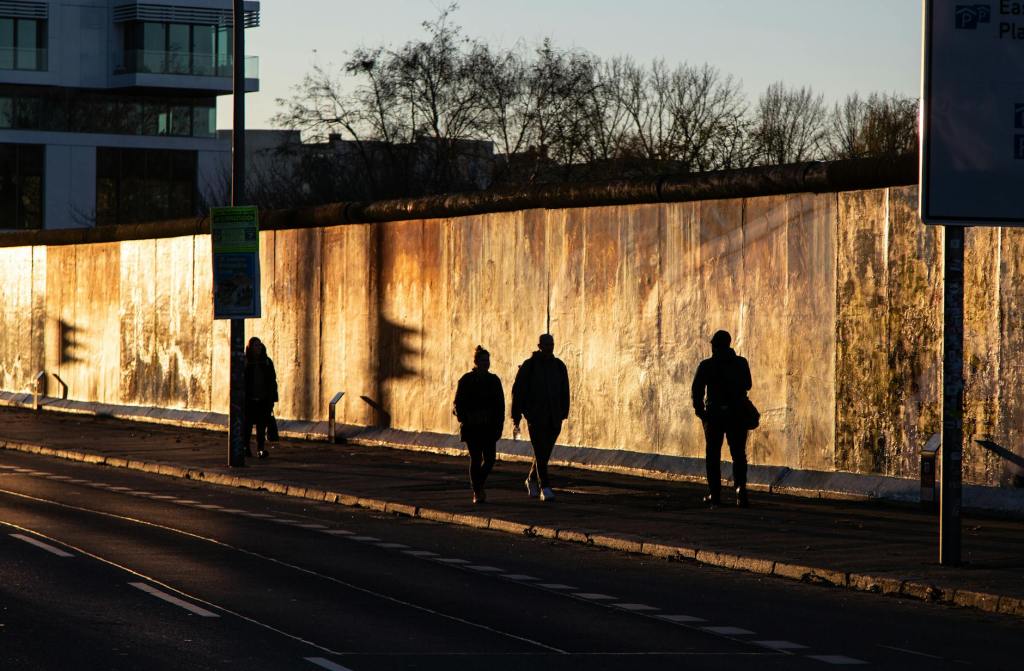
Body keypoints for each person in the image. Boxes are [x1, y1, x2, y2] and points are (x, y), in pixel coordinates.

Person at [691, 330, 752, 508]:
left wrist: (700, 411)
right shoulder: (741, 363)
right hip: (737, 414)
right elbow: (748, 384)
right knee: (739, 454)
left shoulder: (707, 365)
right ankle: (741, 491)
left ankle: (715, 494)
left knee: (713, 455)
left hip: (714, 415)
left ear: (715, 346)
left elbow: (697, 390)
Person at [511, 333, 570, 502]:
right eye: (546, 344)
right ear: (539, 345)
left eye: (551, 344)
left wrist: (563, 411)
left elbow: (565, 389)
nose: (549, 347)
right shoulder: (529, 366)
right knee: (540, 450)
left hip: (554, 416)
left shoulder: (559, 366)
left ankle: (531, 479)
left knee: (544, 453)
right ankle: (545, 486)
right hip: (536, 417)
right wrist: (517, 415)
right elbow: (518, 392)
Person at [453, 346, 505, 504]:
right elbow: (457, 403)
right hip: (473, 427)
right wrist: (465, 418)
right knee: (476, 459)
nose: (485, 363)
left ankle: (478, 484)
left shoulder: (494, 380)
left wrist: (499, 425)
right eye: (482, 360)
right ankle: (477, 491)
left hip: (489, 426)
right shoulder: (466, 380)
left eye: (487, 360)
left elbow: (500, 405)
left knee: (490, 460)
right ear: (476, 362)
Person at [243, 337, 278, 459]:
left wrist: (273, 398)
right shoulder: (246, 362)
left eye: (259, 345)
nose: (257, 348)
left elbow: (272, 381)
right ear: (250, 348)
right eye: (255, 346)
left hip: (263, 400)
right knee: (247, 426)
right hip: (249, 400)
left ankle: (260, 448)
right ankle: (246, 447)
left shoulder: (266, 362)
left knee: (261, 426)